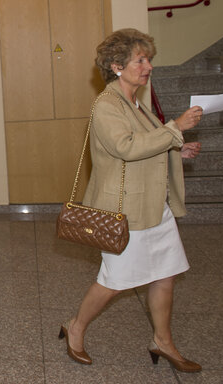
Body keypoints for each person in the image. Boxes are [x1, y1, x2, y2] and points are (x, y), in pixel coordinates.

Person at [60, 29, 203, 372]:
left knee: (165, 274)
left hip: (154, 206)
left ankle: (162, 341)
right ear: (116, 66)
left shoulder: (135, 102)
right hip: (126, 211)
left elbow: (145, 142)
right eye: (140, 60)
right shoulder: (106, 104)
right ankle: (75, 327)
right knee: (113, 282)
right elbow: (125, 147)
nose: (148, 66)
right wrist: (175, 128)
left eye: (148, 59)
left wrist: (176, 148)